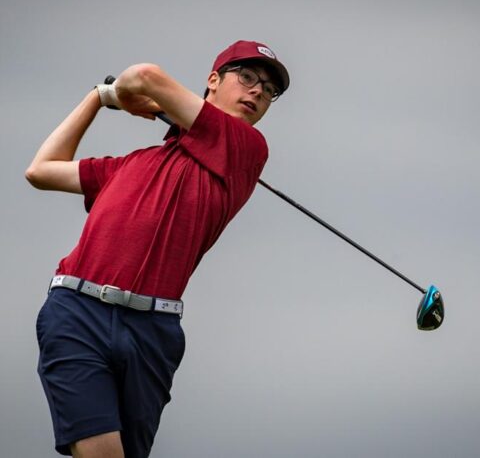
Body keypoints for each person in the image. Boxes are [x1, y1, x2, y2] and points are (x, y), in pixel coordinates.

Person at [25, 40, 290, 458]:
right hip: (77, 312)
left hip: (153, 331)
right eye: (248, 77)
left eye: (270, 91)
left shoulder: (245, 148)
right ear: (213, 81)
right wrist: (98, 97)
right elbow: (41, 170)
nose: (258, 91)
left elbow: (144, 76)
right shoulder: (132, 164)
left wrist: (127, 95)